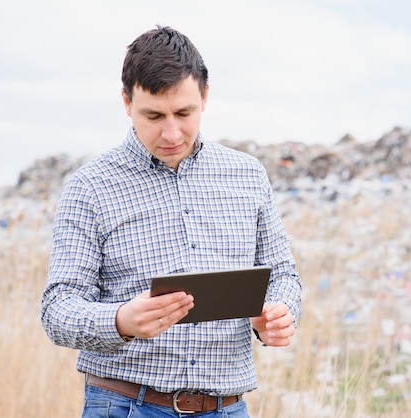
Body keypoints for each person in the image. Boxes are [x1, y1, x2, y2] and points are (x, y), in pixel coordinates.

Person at [41, 25, 302, 418]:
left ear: (205, 96)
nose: (171, 132)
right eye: (153, 115)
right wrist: (120, 320)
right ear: (127, 102)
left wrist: (278, 312)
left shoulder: (248, 175)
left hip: (228, 407)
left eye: (184, 113)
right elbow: (57, 308)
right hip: (124, 406)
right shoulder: (89, 187)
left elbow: (284, 275)